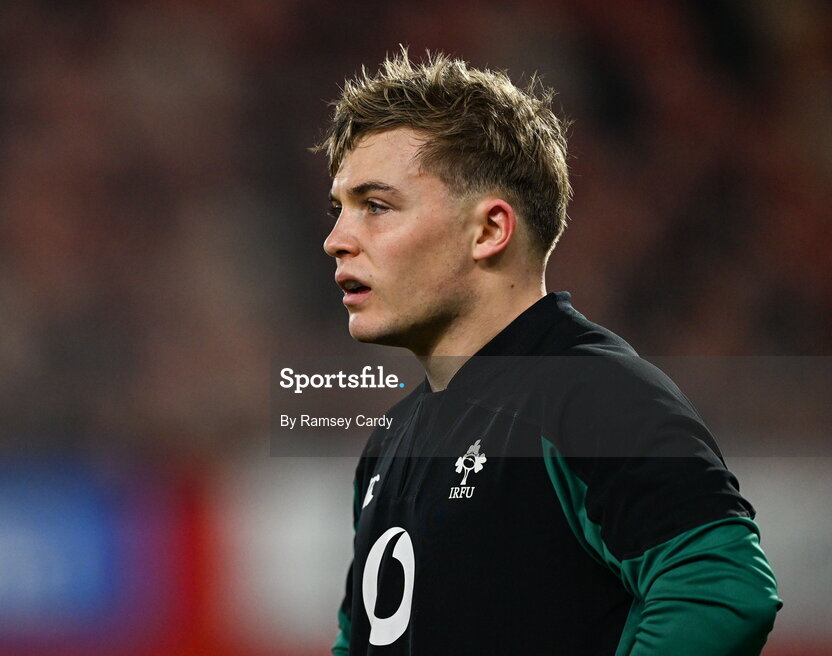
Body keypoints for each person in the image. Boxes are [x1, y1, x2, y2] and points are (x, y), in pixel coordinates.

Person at [316, 49, 781, 655]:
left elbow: (721, 588)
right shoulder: (391, 439)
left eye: (375, 206)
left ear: (489, 231)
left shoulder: (592, 393)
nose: (335, 240)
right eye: (340, 209)